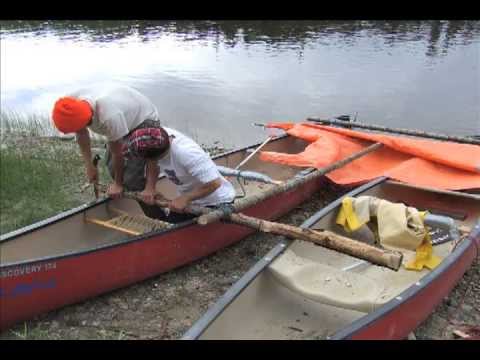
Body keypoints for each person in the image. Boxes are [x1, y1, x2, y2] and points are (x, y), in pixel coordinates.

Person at [51, 84, 163, 214]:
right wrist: (90, 166)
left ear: (88, 119)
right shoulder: (69, 104)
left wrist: (118, 184)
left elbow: (118, 153)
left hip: (143, 119)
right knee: (111, 167)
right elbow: (81, 133)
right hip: (124, 116)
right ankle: (134, 187)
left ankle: (156, 212)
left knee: (132, 180)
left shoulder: (108, 115)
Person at [121, 126, 236, 223]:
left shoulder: (186, 154)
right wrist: (150, 188)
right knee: (169, 224)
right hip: (189, 197)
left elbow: (215, 183)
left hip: (214, 201)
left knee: (177, 230)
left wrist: (186, 198)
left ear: (156, 156)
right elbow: (152, 162)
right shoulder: (156, 136)